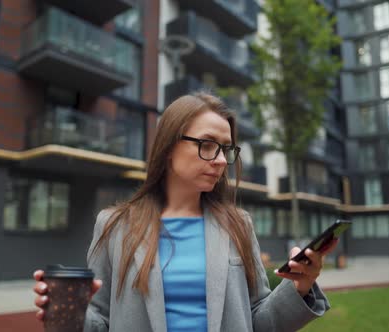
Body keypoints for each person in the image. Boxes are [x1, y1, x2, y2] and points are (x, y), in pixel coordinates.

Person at [33, 92, 338, 332]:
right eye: (208, 144)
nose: (220, 161)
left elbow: (258, 321)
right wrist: (65, 312)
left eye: (226, 148)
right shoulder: (114, 225)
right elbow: (100, 321)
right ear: (168, 146)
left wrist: (299, 287)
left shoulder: (239, 225)